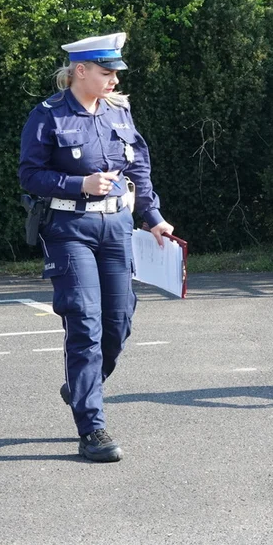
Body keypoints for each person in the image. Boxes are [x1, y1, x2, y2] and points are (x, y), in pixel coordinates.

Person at [19, 32, 173, 462]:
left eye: (116, 73)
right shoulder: (47, 115)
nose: (114, 80)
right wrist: (77, 183)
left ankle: (81, 384)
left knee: (119, 320)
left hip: (118, 228)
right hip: (69, 228)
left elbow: (139, 169)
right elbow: (30, 175)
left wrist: (154, 218)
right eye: (106, 72)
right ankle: (93, 428)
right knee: (85, 323)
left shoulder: (118, 113)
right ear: (80, 71)